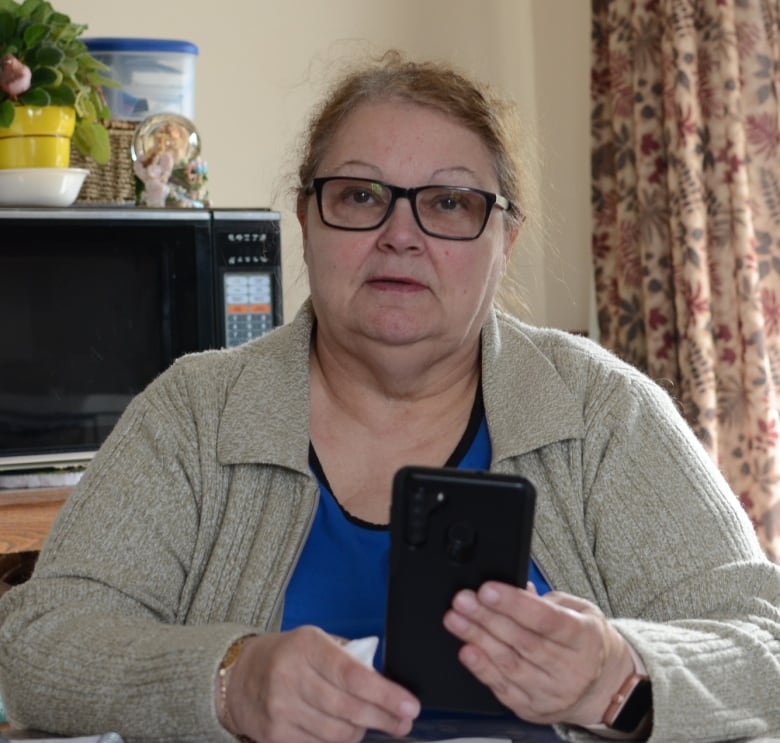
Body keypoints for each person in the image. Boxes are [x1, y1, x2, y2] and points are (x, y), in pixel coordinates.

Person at [0, 49, 779, 743]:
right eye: (360, 195)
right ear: (305, 218)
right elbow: (38, 642)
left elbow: (765, 640)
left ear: (504, 241)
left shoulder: (604, 412)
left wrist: (620, 677)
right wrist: (230, 679)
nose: (400, 234)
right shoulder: (194, 414)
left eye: (447, 203)